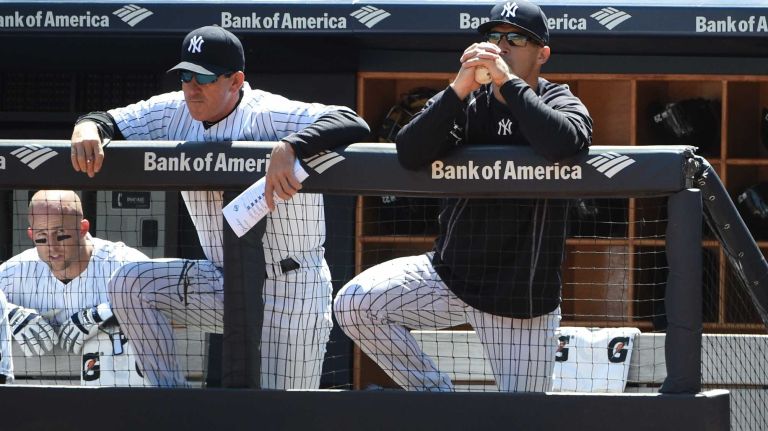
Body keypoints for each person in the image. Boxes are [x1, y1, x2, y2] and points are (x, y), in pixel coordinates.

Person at [69, 25, 370, 389]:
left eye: (204, 78)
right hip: (222, 279)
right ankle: (172, 402)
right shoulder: (172, 111)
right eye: (185, 76)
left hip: (290, 287)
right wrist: (86, 126)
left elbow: (352, 121)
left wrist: (292, 145)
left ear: (236, 80)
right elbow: (108, 121)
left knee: (282, 415)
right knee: (130, 284)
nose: (191, 87)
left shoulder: (268, 113)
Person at [334, 0, 592, 392]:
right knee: (354, 305)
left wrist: (508, 83)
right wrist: (458, 88)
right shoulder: (467, 101)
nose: (500, 45)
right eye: (492, 36)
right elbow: (410, 151)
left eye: (516, 38)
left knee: (521, 422)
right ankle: (439, 399)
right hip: (450, 278)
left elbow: (564, 142)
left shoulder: (558, 100)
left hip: (519, 301)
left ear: (542, 54)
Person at [0, 190, 150, 385]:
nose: (52, 247)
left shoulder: (124, 264)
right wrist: (9, 313)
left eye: (61, 235)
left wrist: (105, 313)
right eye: (41, 238)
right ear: (31, 234)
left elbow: (167, 300)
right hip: (34, 395)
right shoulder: (16, 271)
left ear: (83, 228)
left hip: (114, 393)